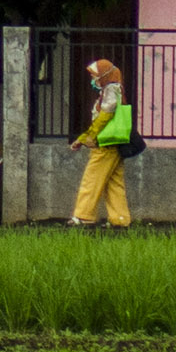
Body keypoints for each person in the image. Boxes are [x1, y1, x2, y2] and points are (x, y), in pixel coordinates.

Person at [70, 55, 136, 228]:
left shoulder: (110, 90)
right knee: (113, 182)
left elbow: (104, 117)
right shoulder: (115, 88)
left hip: (105, 143)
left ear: (104, 75)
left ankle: (83, 216)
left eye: (95, 75)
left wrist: (88, 136)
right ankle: (120, 219)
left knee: (91, 179)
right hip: (114, 142)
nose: (93, 79)